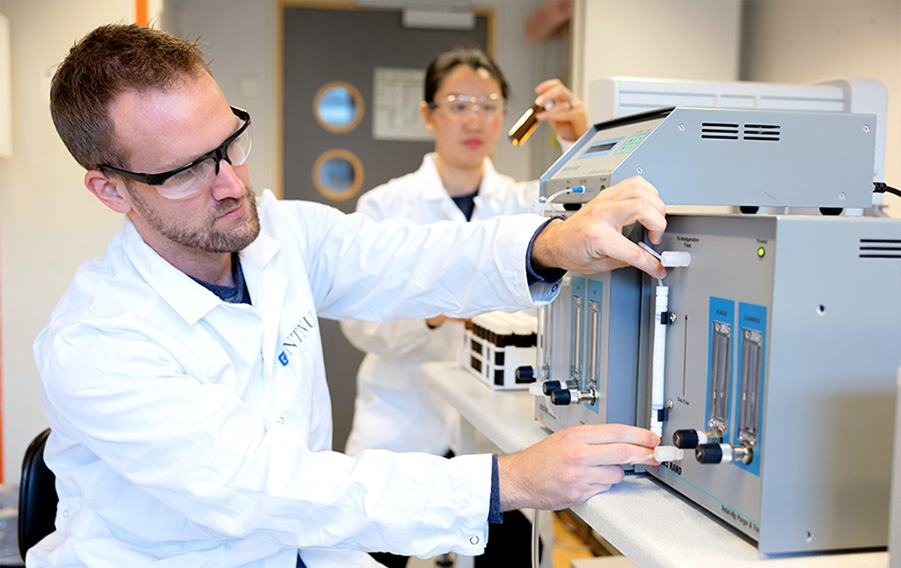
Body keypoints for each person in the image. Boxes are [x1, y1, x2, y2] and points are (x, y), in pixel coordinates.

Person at [32, 24, 667, 568]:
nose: (230, 184)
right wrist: (512, 479)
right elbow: (270, 488)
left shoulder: (280, 237)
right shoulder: (96, 343)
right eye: (186, 170)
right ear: (111, 190)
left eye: (229, 145)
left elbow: (407, 257)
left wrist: (551, 243)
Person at [339, 47, 587, 567]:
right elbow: (359, 322)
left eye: (489, 104)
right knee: (366, 549)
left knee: (518, 549)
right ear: (428, 113)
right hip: (402, 424)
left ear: (508, 117)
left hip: (498, 428)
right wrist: (433, 311)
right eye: (458, 104)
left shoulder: (527, 203)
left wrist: (576, 137)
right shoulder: (385, 208)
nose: (475, 118)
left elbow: (586, 221)